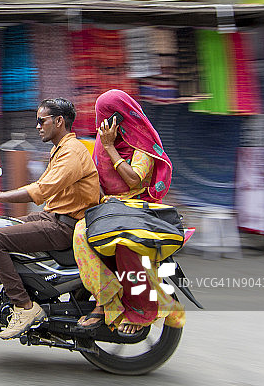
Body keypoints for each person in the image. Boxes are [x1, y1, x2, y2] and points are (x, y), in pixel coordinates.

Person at [0, 98, 100, 339]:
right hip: (55, 217)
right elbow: (41, 187)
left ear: (59, 121)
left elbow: (41, 191)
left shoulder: (71, 153)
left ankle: (24, 306)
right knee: (7, 226)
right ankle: (30, 288)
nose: (38, 126)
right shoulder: (60, 149)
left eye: (42, 121)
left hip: (64, 226)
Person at [73, 89, 185, 336]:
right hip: (109, 206)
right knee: (80, 235)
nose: (102, 122)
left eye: (107, 115)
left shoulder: (139, 142)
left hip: (135, 205)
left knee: (124, 242)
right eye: (99, 115)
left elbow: (134, 180)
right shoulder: (104, 138)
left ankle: (140, 309)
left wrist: (112, 148)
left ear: (120, 117)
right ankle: (107, 300)